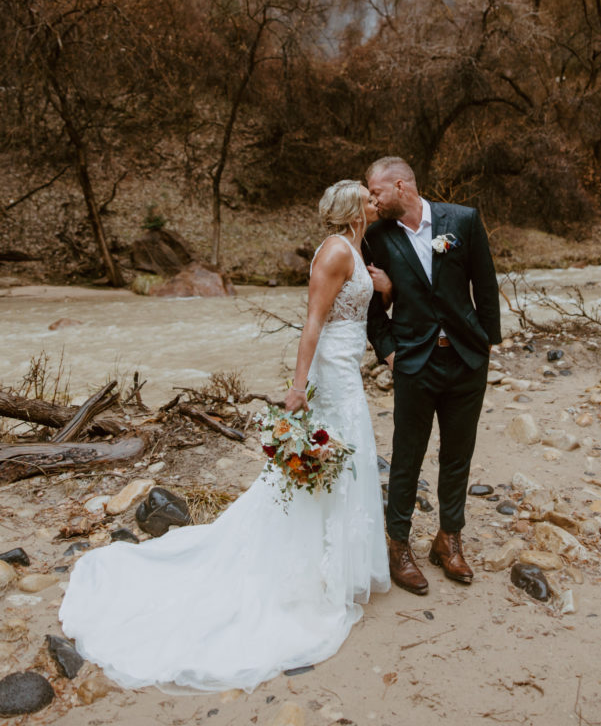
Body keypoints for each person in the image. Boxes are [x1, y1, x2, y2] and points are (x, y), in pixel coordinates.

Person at [59, 180, 390, 693]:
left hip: (347, 367)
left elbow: (354, 305)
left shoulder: (353, 246)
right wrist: (298, 387)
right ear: (353, 210)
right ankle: (311, 568)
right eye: (367, 196)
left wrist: (383, 287)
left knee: (342, 462)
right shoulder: (333, 252)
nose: (375, 199)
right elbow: (312, 321)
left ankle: (334, 562)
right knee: (329, 461)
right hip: (332, 373)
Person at [364, 157, 501, 596]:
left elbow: (485, 281)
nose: (371, 199)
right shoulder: (376, 237)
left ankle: (449, 539)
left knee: (458, 455)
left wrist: (488, 343)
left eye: (376, 192)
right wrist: (388, 352)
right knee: (407, 456)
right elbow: (369, 307)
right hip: (414, 364)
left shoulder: (462, 220)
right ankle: (398, 545)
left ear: (401, 186)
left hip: (465, 360)